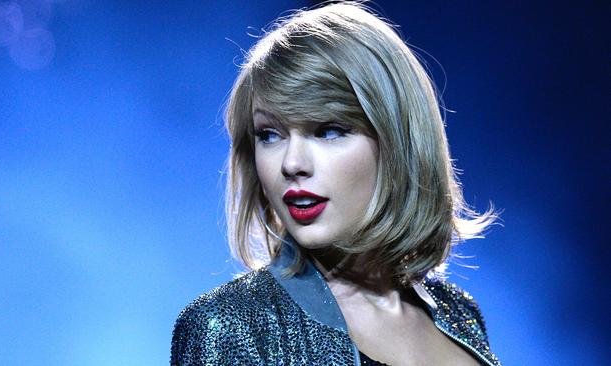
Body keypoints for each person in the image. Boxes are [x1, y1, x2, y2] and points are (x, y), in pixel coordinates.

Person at [171, 2, 501, 365]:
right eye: (269, 135)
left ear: (396, 142)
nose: (292, 164)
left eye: (328, 130)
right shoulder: (229, 327)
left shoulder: (460, 313)